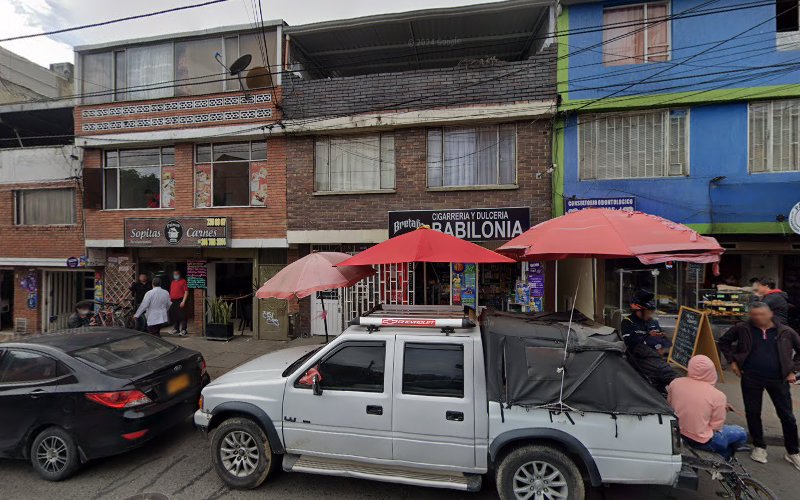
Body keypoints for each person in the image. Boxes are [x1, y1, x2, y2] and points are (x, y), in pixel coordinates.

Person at [718, 302, 800, 470]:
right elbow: (724, 342)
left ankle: (792, 451)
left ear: (770, 314)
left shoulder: (785, 331)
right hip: (751, 377)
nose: (757, 318)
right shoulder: (743, 328)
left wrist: (793, 371)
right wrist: (732, 361)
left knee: (787, 415)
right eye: (754, 315)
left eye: (761, 314)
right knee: (753, 412)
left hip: (779, 379)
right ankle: (759, 446)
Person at [668, 355, 748, 460]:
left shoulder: (675, 383)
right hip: (701, 440)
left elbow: (670, 404)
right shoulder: (718, 396)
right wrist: (722, 409)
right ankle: (723, 460)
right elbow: (716, 427)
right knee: (741, 432)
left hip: (677, 433)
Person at [620, 290, 678, 392]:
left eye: (652, 312)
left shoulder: (653, 322)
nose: (650, 315)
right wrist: (647, 335)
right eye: (648, 312)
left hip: (655, 357)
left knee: (669, 375)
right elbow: (629, 341)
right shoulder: (627, 321)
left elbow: (662, 341)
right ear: (639, 311)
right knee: (661, 375)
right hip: (638, 359)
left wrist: (661, 346)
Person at [169, 270, 189, 336]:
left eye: (177, 274)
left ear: (179, 274)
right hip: (173, 301)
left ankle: (184, 330)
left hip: (180, 300)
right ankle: (176, 329)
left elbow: (186, 292)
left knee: (183, 315)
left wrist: (183, 301)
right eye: (174, 274)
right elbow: (171, 291)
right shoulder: (172, 282)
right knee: (175, 315)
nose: (175, 275)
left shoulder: (183, 281)